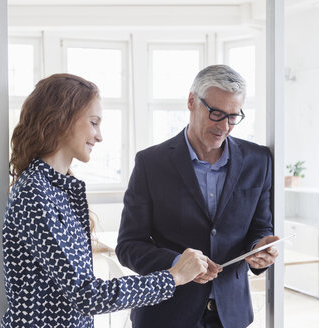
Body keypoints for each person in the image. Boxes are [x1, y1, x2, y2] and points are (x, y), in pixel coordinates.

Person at [1, 73, 212, 328]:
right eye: (93, 123)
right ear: (61, 119)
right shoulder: (35, 192)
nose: (99, 136)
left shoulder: (59, 187)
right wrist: (173, 277)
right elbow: (87, 295)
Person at [116, 65, 279, 328]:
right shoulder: (151, 163)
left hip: (231, 316)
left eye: (233, 117)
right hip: (166, 315)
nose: (224, 126)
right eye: (215, 113)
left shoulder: (258, 161)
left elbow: (259, 228)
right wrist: (178, 263)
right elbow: (128, 245)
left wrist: (258, 250)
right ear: (192, 101)